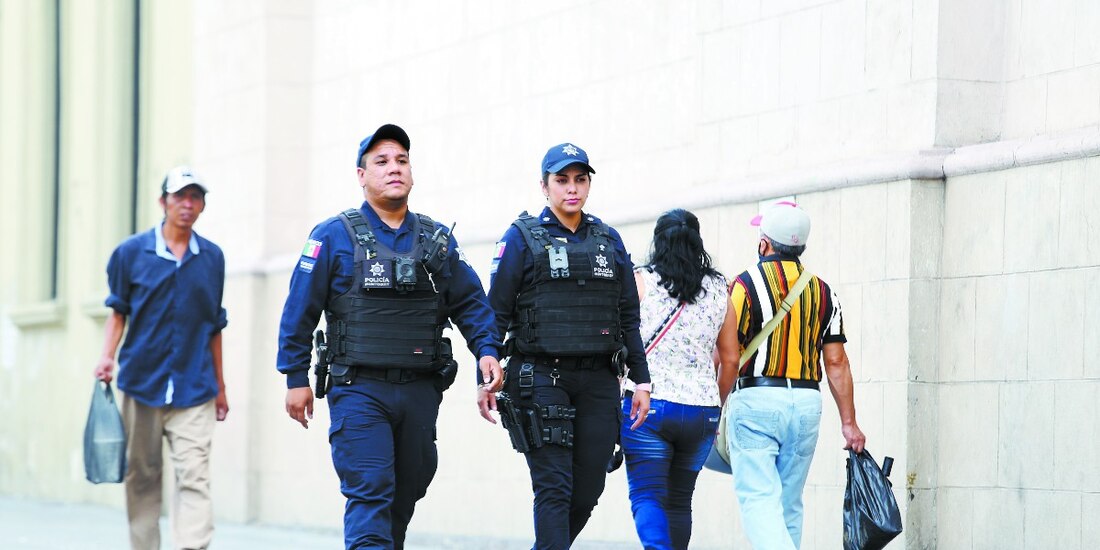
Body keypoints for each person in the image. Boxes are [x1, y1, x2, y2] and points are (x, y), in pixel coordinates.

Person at [276, 124, 504, 550]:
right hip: (358, 387)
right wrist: (295, 377)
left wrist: (487, 351)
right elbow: (299, 311)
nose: (393, 168)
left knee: (406, 491)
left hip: (420, 388)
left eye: (401, 160)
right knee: (371, 489)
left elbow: (472, 303)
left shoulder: (436, 240)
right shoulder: (332, 236)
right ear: (361, 176)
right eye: (381, 162)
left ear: (412, 173)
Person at [477, 142, 652, 550]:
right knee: (554, 488)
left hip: (598, 379)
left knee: (587, 490)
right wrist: (483, 373)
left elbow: (628, 315)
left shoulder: (608, 239)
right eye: (562, 180)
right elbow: (495, 312)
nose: (572, 188)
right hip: (540, 378)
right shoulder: (521, 239)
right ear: (544, 186)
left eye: (580, 179)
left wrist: (641, 381)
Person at [93, 166, 229, 550]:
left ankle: (191, 546)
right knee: (143, 476)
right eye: (179, 196)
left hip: (195, 385)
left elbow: (214, 326)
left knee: (195, 476)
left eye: (195, 197)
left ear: (202, 205)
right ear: (163, 202)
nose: (187, 204)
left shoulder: (213, 258)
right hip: (142, 383)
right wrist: (107, 358)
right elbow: (118, 312)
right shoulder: (130, 253)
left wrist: (220, 387)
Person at [719, 202, 866, 550]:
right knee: (789, 503)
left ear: (764, 243)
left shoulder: (743, 285)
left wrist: (716, 402)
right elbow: (837, 363)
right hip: (806, 402)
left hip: (755, 398)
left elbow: (727, 353)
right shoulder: (823, 291)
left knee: (757, 498)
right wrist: (849, 423)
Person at [621, 208, 739, 550]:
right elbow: (731, 358)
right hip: (702, 410)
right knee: (678, 501)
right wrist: (714, 400)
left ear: (658, 242)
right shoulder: (720, 290)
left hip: (648, 407)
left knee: (647, 496)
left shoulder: (639, 281)